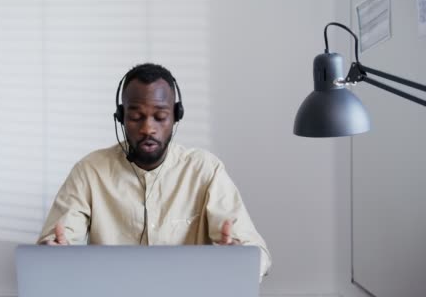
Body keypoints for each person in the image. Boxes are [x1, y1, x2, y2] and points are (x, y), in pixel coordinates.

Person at [37, 63, 271, 279]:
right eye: (136, 117)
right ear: (121, 117)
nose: (148, 128)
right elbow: (54, 247)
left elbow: (259, 256)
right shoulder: (90, 171)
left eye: (160, 117)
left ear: (176, 116)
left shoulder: (205, 171)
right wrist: (53, 254)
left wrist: (240, 258)